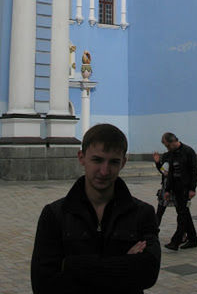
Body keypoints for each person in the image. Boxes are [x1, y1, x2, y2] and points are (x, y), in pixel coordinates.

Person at [31, 123, 160, 294]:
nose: (104, 171)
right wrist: (123, 263)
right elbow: (43, 285)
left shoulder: (142, 213)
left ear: (123, 162)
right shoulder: (55, 214)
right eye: (97, 160)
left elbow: (148, 274)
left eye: (113, 162)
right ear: (81, 157)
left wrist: (71, 265)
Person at [160, 132, 197, 250]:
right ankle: (193, 239)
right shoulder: (172, 154)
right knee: (184, 214)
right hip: (176, 188)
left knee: (182, 215)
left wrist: (192, 188)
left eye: (167, 145)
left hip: (185, 188)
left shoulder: (188, 152)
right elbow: (171, 173)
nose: (167, 148)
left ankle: (176, 241)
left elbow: (195, 172)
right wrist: (167, 190)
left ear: (173, 142)